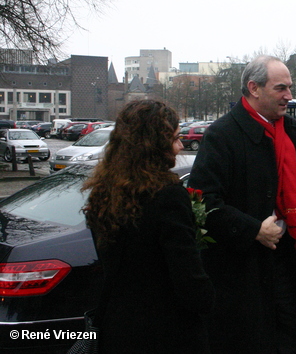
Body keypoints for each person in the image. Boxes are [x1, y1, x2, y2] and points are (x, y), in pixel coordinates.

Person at [188, 55, 296, 354]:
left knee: (295, 339)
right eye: (281, 88)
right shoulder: (221, 135)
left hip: (292, 258)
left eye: (289, 88)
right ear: (254, 88)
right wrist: (252, 230)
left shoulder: (290, 129)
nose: (289, 96)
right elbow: (202, 201)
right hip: (244, 273)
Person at [82, 100, 214, 354]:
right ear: (154, 144)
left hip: (117, 327)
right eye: (175, 138)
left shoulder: (103, 191)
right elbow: (190, 283)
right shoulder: (168, 196)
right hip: (165, 332)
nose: (179, 146)